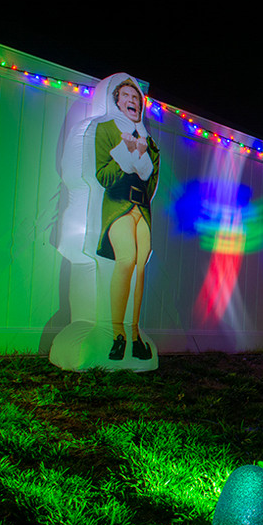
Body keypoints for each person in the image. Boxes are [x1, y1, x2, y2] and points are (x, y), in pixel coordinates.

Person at [94, 76, 159, 360]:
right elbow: (103, 174)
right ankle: (117, 334)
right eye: (127, 96)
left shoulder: (150, 141)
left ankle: (135, 336)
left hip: (141, 209)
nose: (133, 100)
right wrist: (125, 154)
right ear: (117, 101)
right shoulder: (106, 129)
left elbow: (152, 180)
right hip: (119, 204)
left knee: (141, 267)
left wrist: (141, 155)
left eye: (137, 97)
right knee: (126, 260)